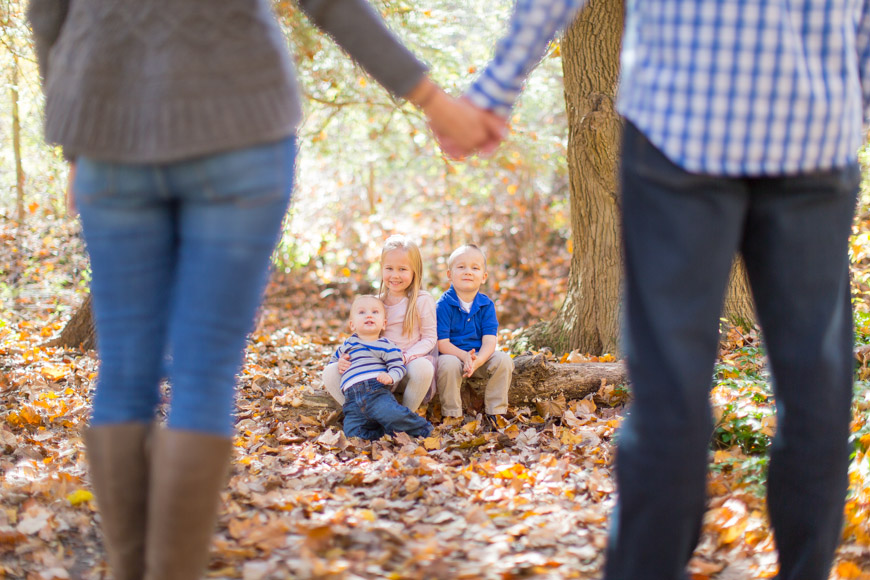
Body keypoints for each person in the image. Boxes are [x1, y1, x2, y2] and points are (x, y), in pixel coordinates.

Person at [27, 1, 498, 578]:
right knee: (203, 371)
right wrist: (434, 100)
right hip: (241, 129)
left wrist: (74, 137)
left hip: (112, 134)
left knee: (126, 370)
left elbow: (48, 12)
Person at [453, 1, 870, 579]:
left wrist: (496, 88)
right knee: (814, 389)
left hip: (683, 128)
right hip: (812, 131)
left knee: (670, 389)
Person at [323, 235, 437, 412]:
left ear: (415, 271)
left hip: (408, 365)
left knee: (424, 368)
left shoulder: (422, 300)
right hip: (376, 366)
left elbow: (430, 338)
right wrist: (344, 358)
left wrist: (405, 357)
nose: (395, 275)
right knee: (329, 372)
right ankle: (358, 413)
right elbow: (361, 336)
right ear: (382, 269)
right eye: (389, 268)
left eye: (402, 269)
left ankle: (404, 416)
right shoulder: (375, 304)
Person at [329, 295, 434, 440]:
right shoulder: (347, 345)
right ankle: (382, 433)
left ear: (384, 324)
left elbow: (398, 366)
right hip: (351, 398)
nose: (369, 316)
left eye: (375, 312)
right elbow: (331, 364)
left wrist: (391, 377)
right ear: (352, 325)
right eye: (362, 312)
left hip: (375, 390)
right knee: (352, 432)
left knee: (393, 414)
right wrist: (339, 362)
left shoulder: (386, 345)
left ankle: (423, 429)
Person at [435, 244, 513, 427]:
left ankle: (496, 412)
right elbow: (442, 343)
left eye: (475, 268)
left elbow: (489, 341)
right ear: (449, 275)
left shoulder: (486, 305)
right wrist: (463, 356)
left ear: (483, 277)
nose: (468, 272)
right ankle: (452, 414)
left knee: (504, 360)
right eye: (461, 267)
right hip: (454, 356)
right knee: (447, 364)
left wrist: (478, 360)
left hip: (479, 357)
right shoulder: (444, 305)